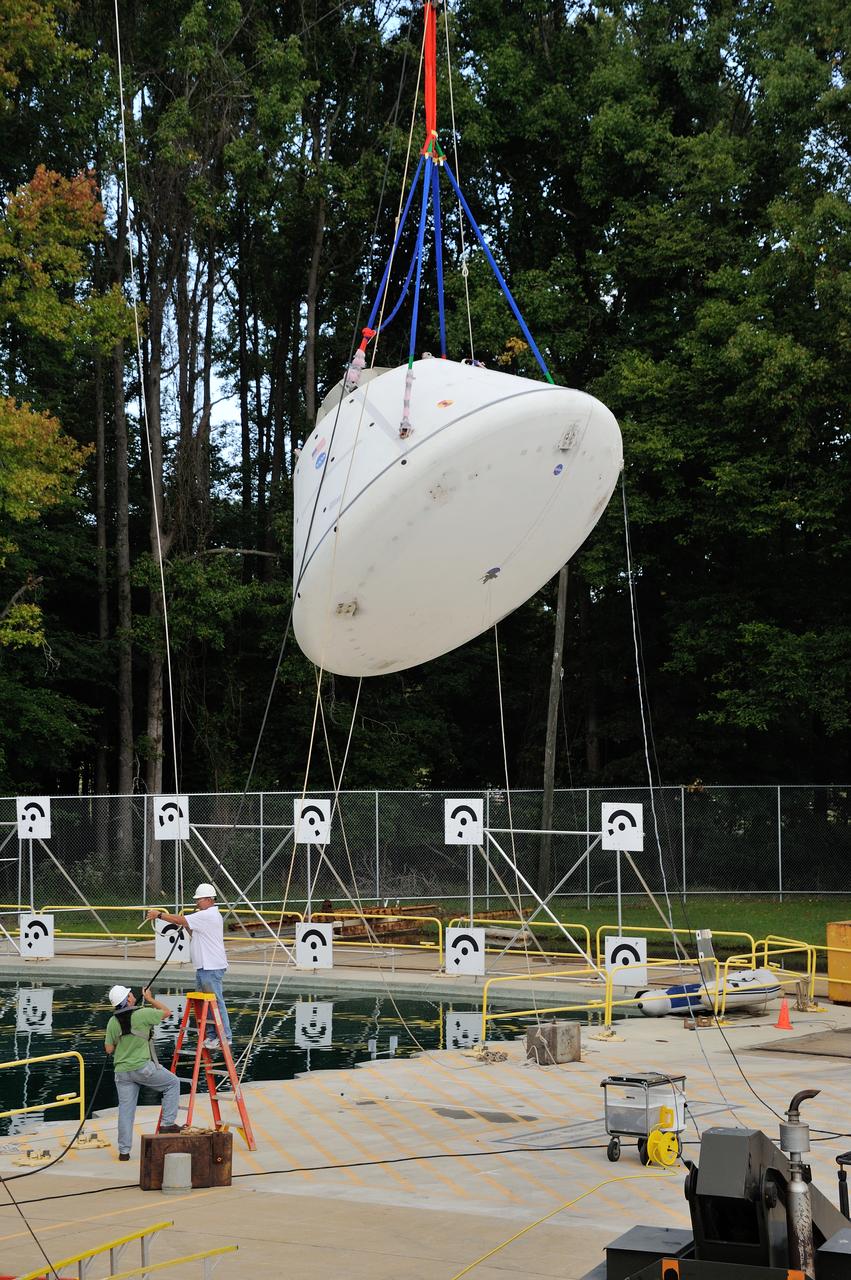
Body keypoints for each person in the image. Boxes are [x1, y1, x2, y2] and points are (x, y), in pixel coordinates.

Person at [148, 883, 232, 1048]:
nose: (197, 903)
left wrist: (159, 915)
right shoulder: (205, 916)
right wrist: (186, 925)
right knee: (205, 1004)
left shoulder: (208, 915)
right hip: (204, 966)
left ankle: (224, 1036)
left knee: (215, 1003)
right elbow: (193, 931)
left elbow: (179, 919)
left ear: (209, 899)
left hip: (211, 966)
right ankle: (212, 1036)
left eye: (199, 899)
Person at [105, 985, 182, 1162]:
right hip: (142, 1068)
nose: (133, 996)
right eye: (130, 995)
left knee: (125, 1111)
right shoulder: (142, 1014)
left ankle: (124, 1151)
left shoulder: (112, 1022)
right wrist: (149, 999)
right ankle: (167, 1124)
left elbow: (109, 1049)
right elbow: (166, 1012)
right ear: (129, 1000)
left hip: (122, 1073)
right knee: (172, 1083)